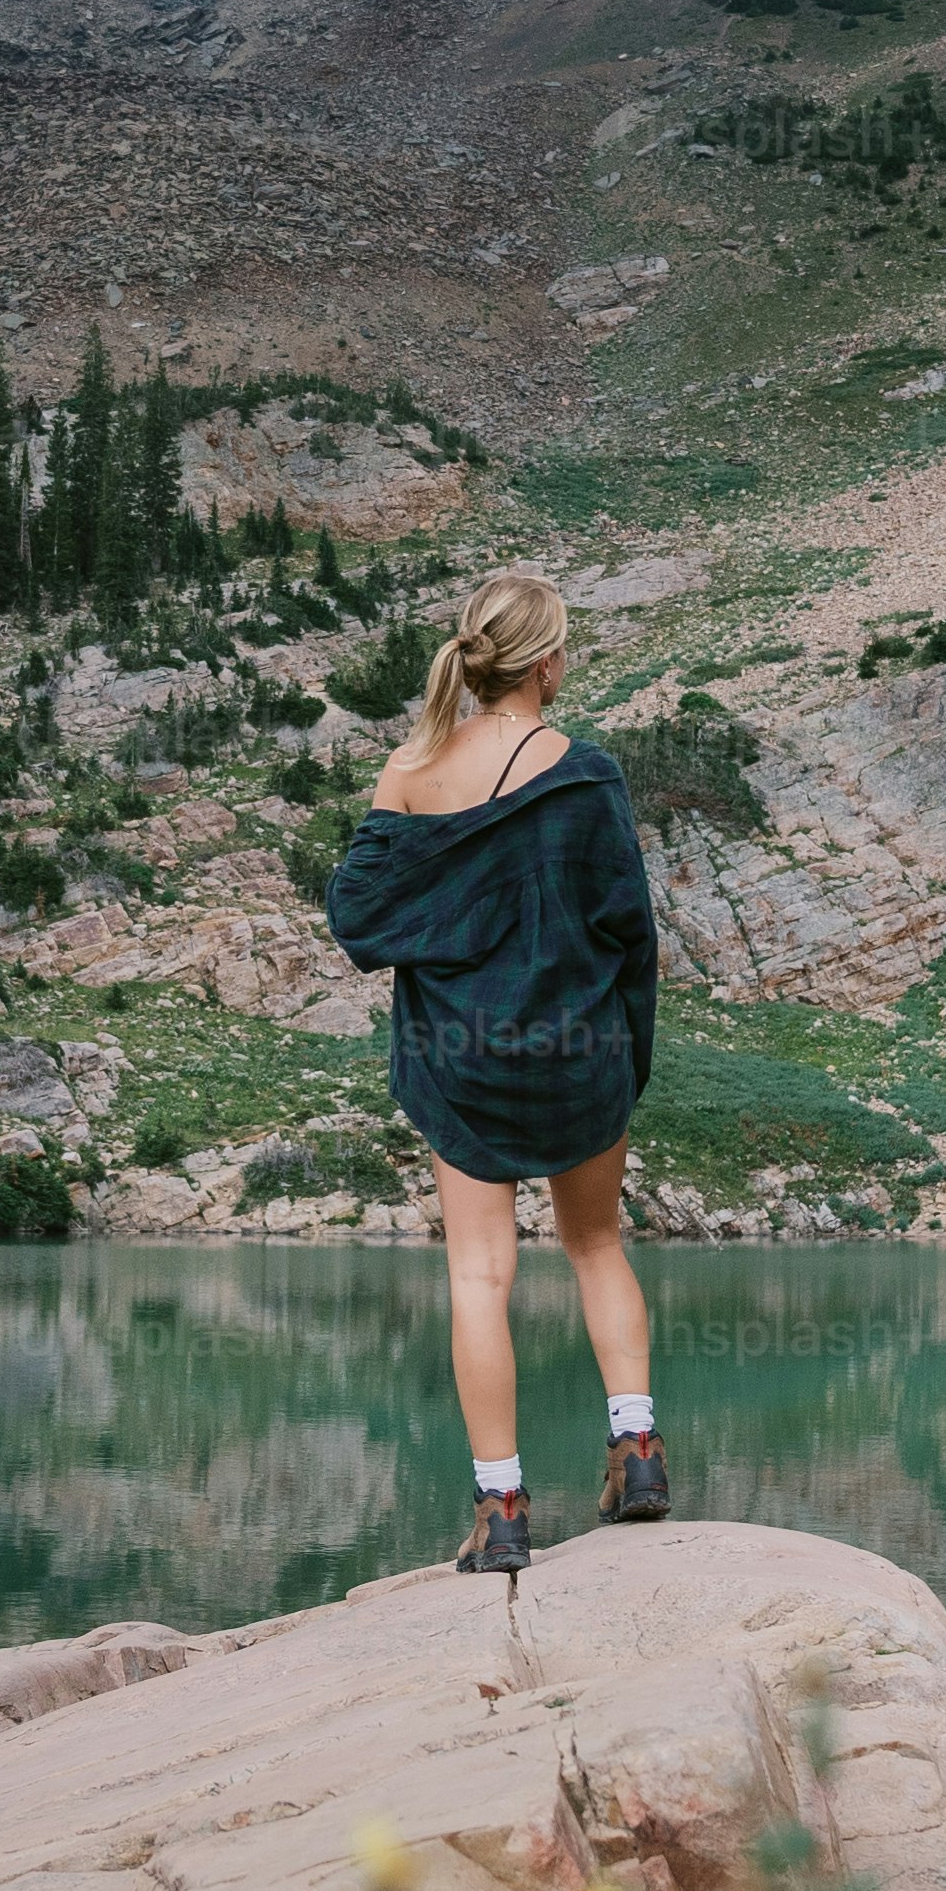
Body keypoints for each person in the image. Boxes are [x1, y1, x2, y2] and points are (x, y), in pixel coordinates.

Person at [319, 567, 669, 1576]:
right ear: (549, 662)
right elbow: (627, 932)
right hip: (579, 1053)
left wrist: (453, 929)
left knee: (481, 1273)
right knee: (596, 1245)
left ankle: (503, 1513)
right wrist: (623, 1056)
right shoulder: (587, 772)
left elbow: (358, 920)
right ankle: (636, 1453)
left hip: (464, 1058)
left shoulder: (411, 771)